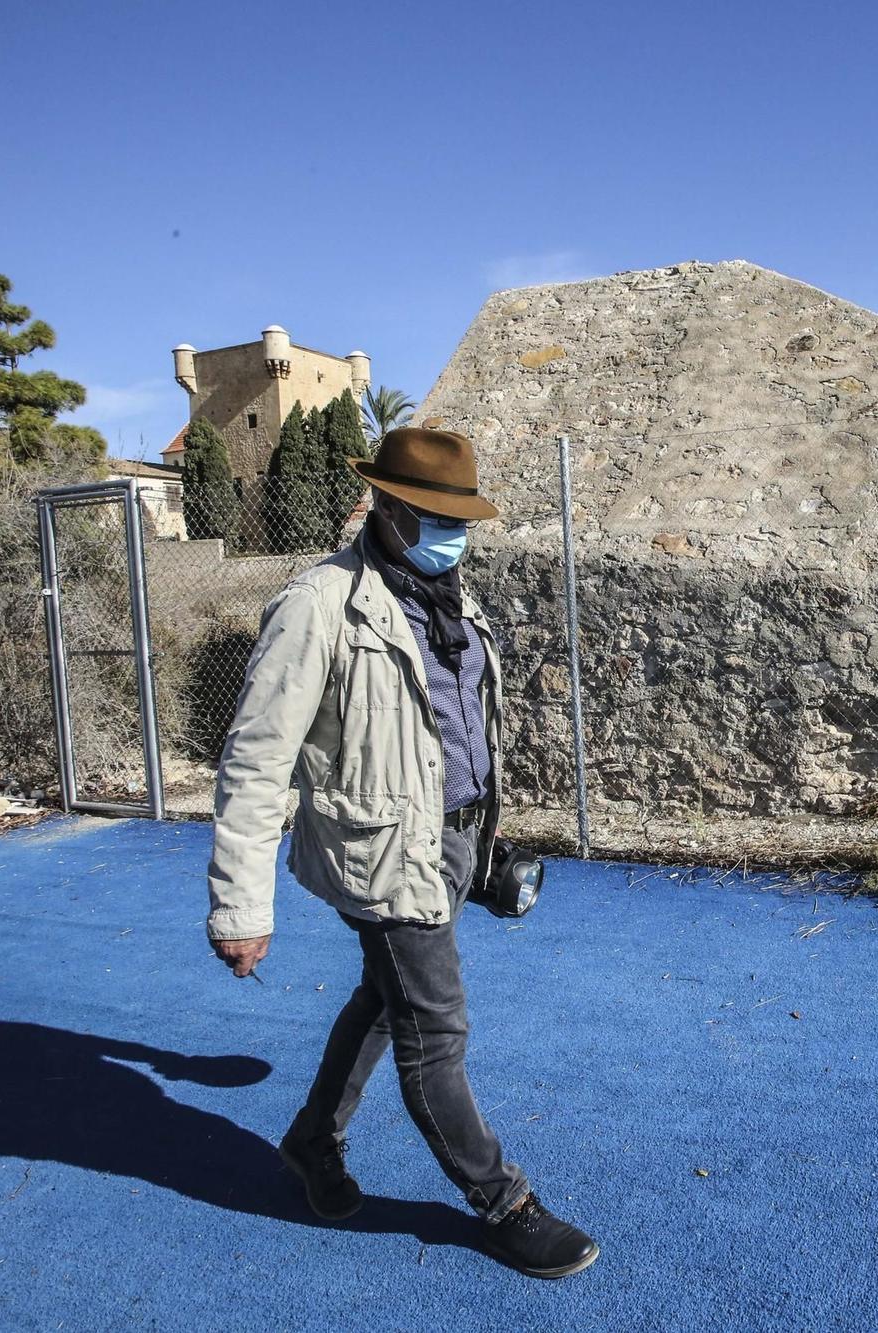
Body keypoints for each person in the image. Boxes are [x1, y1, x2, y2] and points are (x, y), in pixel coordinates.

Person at [204, 419, 598, 1279]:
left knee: (386, 1001)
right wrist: (241, 903)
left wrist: (484, 842)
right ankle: (505, 1203)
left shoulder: (451, 598)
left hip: (451, 845)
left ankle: (312, 1140)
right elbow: (256, 756)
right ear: (383, 505)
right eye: (431, 513)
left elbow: (457, 739)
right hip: (383, 858)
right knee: (435, 1032)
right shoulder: (319, 605)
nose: (451, 532)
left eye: (460, 516)